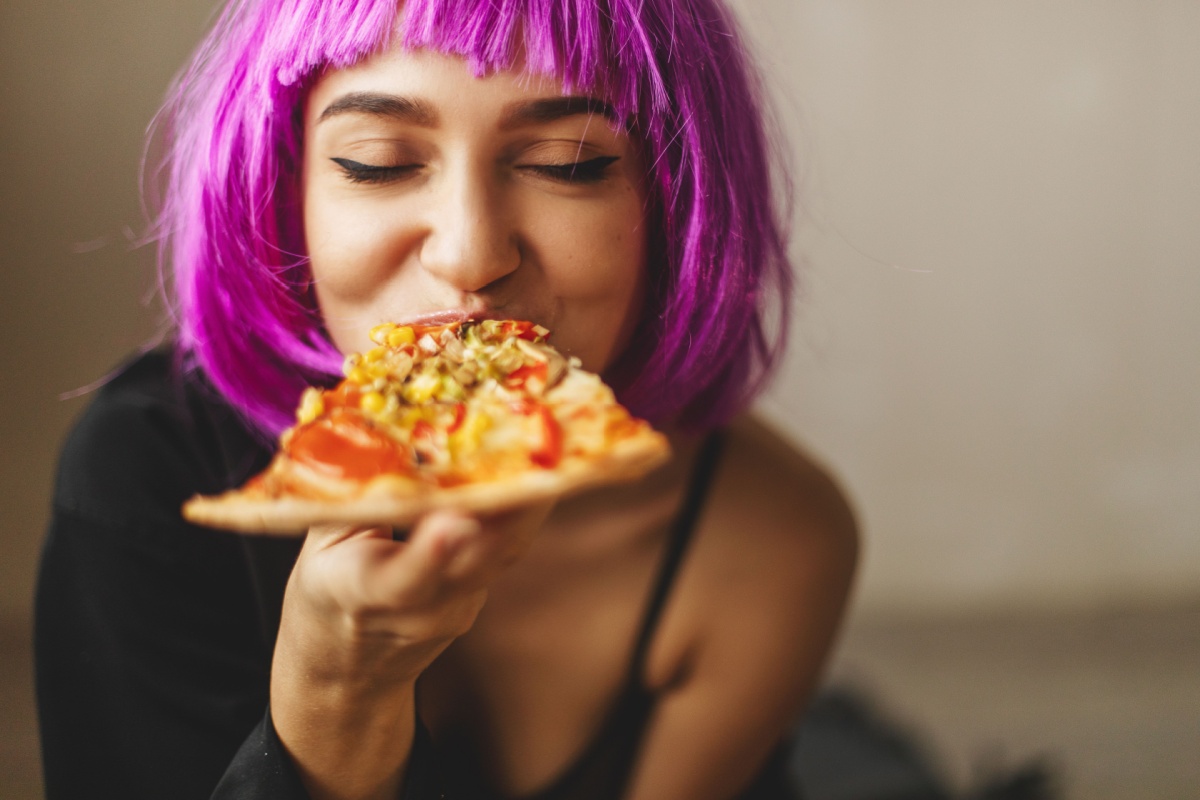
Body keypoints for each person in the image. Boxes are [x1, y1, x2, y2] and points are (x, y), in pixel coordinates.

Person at [35, 0, 858, 798]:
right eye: (378, 162)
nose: (468, 255)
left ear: (677, 201)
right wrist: (336, 698)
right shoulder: (144, 478)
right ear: (286, 191)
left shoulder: (771, 538)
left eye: (565, 163)